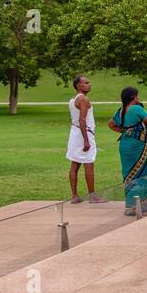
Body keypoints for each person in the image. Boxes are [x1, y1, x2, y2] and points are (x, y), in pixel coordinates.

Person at [108, 86, 147, 216]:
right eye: (137, 96)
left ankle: (130, 206)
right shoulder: (136, 108)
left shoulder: (121, 110)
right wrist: (142, 109)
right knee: (141, 173)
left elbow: (111, 124)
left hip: (125, 145)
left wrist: (124, 131)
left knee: (128, 174)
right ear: (133, 97)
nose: (138, 98)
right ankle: (140, 207)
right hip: (138, 145)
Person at [66, 74, 103, 203]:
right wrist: (86, 140)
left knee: (75, 164)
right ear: (78, 85)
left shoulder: (73, 99)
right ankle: (92, 195)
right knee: (89, 163)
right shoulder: (83, 99)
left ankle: (74, 195)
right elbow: (82, 119)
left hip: (75, 133)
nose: (89, 84)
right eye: (86, 82)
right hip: (83, 134)